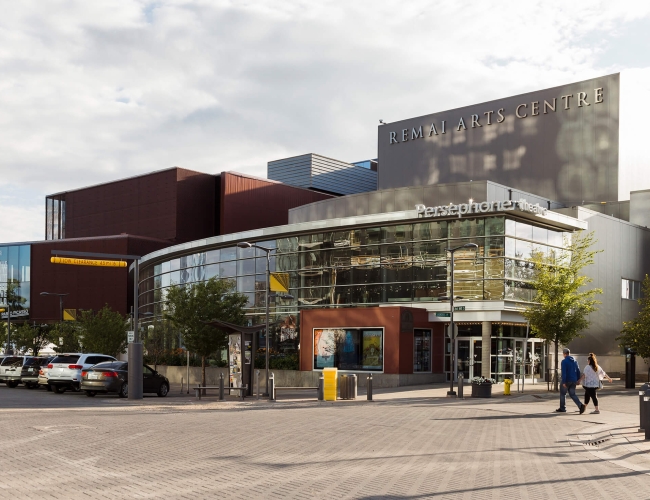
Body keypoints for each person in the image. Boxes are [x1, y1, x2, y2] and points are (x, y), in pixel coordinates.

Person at [556, 348, 585, 414]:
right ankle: (580, 406)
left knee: (563, 394)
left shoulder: (564, 361)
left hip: (567, 380)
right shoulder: (575, 361)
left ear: (564, 354)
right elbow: (578, 371)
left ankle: (562, 408)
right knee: (572, 394)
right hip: (574, 380)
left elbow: (564, 372)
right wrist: (578, 380)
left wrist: (564, 382)